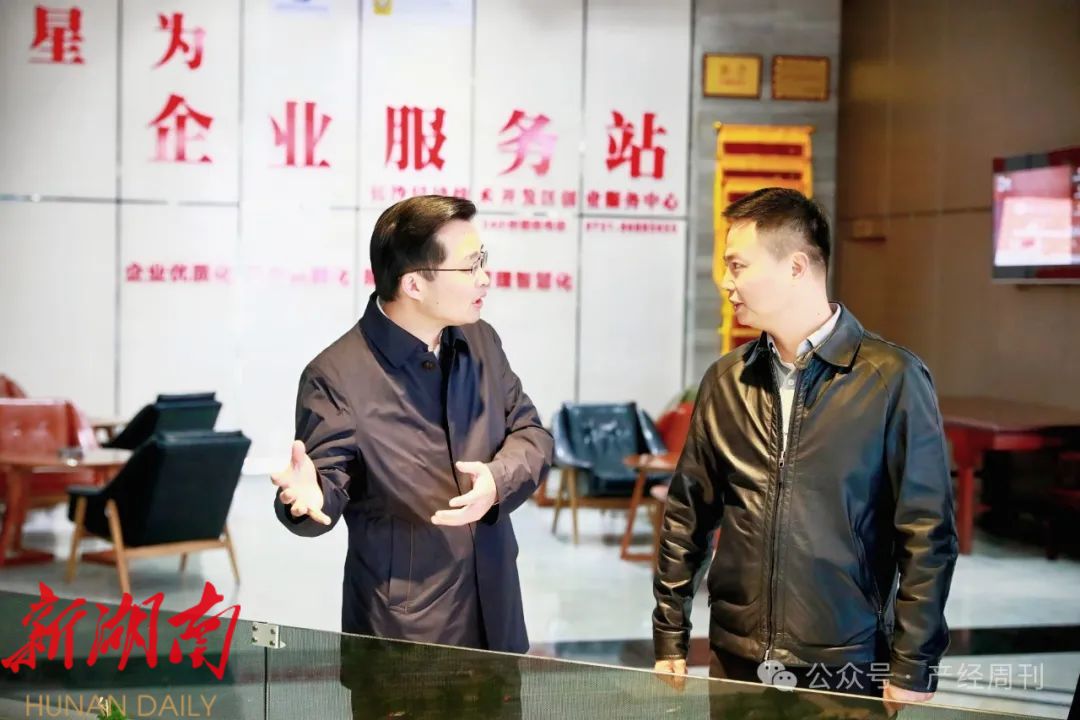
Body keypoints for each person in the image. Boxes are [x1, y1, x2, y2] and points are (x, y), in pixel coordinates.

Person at [652, 187, 957, 704]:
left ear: (796, 266)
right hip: (736, 656)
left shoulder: (892, 379)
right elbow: (687, 516)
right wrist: (669, 632)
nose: (725, 281)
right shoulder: (727, 380)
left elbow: (928, 533)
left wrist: (913, 663)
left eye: (737, 265)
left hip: (846, 660)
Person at [271, 194, 553, 653]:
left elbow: (531, 433)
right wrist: (306, 500)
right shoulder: (336, 376)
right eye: (470, 266)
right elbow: (323, 489)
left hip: (497, 617)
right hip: (403, 638)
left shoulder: (480, 340)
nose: (485, 277)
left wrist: (497, 482)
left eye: (483, 259)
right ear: (414, 285)